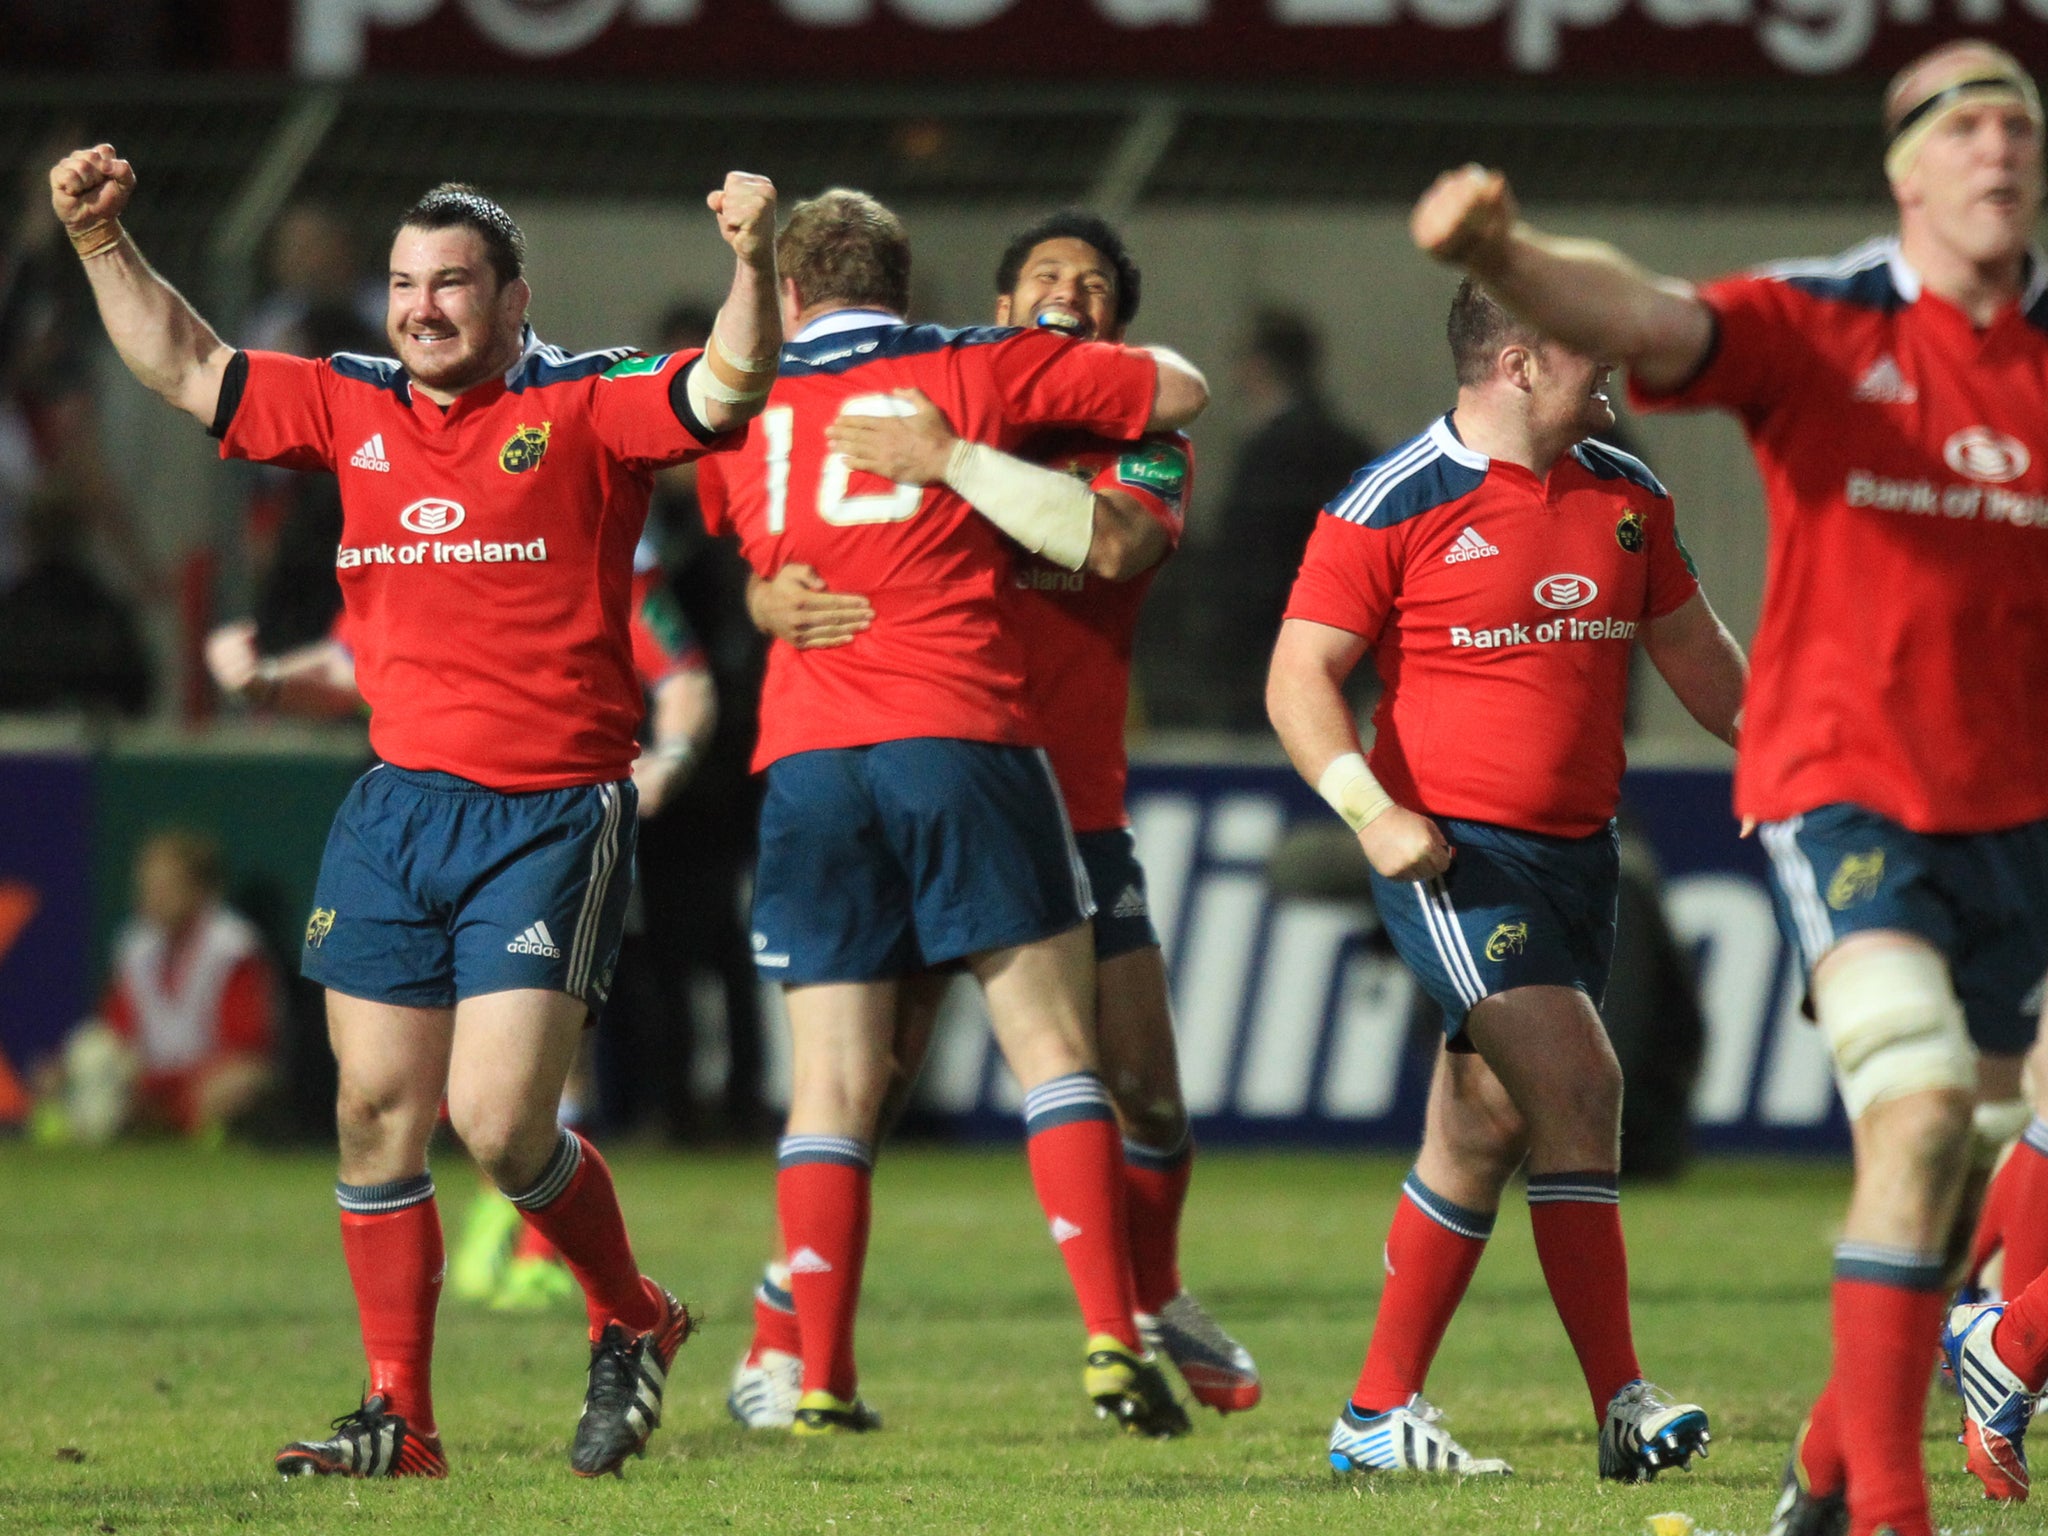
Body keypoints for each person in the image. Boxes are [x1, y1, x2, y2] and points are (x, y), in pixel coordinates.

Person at [50, 140, 780, 1479]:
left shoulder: (587, 402)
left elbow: (728, 387)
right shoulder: (349, 404)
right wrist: (103, 245)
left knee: (500, 1126)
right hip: (395, 810)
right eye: (402, 284)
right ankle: (404, 1420)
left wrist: (751, 268)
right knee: (375, 1111)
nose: (422, 307)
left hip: (551, 809)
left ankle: (633, 1314)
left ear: (515, 299)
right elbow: (185, 366)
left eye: (452, 284)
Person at [1406, 38, 2048, 1533]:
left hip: (2015, 806)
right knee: (1921, 1115)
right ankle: (1890, 1511)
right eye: (1964, 131)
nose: (1999, 153)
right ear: (1905, 172)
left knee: (1965, 1177)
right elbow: (1644, 312)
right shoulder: (1823, 324)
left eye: (2020, 126)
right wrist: (1501, 246)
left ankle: (1826, 1472)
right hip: (1847, 788)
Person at [725, 210, 1259, 1431]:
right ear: (1001, 303)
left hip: (1065, 798)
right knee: (871, 1079)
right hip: (941, 757)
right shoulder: (940, 389)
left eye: (1092, 284)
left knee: (1146, 1089)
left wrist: (952, 463)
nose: (1067, 294)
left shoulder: (1130, 445)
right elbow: (782, 528)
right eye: (1042, 278)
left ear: (1116, 320)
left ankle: (1155, 1296)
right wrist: (764, 594)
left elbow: (1118, 547)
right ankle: (777, 1344)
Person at [1266, 279, 1744, 1482]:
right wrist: (1369, 813)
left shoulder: (1625, 494)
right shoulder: (1393, 500)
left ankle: (1375, 1417)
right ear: (1520, 361)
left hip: (1577, 857)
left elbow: (1697, 659)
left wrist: (1812, 761)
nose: (1616, 371)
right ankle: (1623, 1404)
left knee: (1478, 1129)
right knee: (1579, 1086)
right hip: (1451, 855)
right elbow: (1297, 679)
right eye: (1591, 351)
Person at [1169, 308, 1373, 731]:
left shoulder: (1269, 453)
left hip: (1264, 661)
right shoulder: (1350, 446)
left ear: (1259, 364)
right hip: (1338, 652)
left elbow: (1249, 564)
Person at [47, 830, 276, 1140]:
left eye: (165, 887)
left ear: (199, 890)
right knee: (87, 1055)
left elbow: (246, 1045)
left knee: (240, 1081)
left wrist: (176, 1086)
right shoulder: (135, 945)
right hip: (151, 1082)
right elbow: (115, 1029)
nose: (152, 897)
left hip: (206, 1079)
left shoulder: (231, 946)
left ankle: (199, 1132)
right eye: (147, 887)